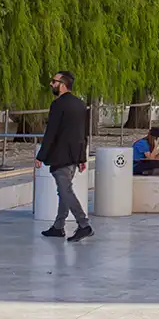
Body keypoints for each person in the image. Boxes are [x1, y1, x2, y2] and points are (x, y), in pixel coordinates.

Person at [35, 71, 92, 241]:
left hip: (60, 155)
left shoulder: (58, 104)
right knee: (63, 190)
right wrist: (82, 157)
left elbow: (51, 132)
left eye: (54, 81)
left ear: (63, 84)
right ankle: (58, 226)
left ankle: (84, 225)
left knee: (66, 190)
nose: (51, 84)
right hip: (74, 155)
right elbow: (84, 134)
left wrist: (41, 155)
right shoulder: (81, 104)